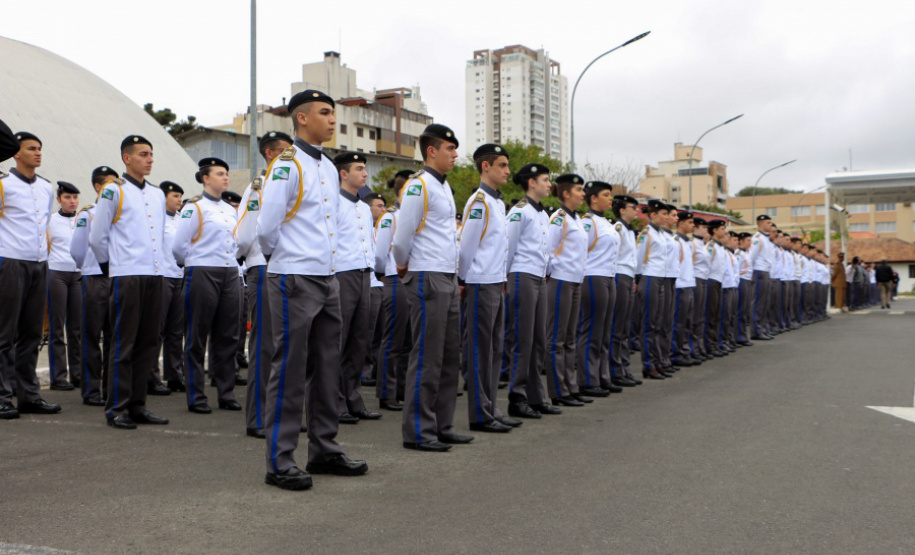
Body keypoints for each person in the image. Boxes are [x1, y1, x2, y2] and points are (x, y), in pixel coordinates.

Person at [257, 90, 367, 489]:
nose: (332, 120)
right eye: (324, 113)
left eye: (332, 113)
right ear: (301, 119)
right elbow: (266, 228)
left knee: (326, 367)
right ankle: (279, 459)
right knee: (288, 369)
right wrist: (287, 260)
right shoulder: (287, 165)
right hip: (295, 276)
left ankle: (324, 448)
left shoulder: (324, 166)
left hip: (327, 276)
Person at [392, 123, 470, 452]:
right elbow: (402, 237)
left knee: (450, 355)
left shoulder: (443, 186)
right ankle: (419, 431)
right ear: (431, 151)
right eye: (449, 149)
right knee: (427, 356)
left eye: (455, 149)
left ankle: (442, 424)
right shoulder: (418, 186)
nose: (454, 154)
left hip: (446, 276)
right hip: (427, 275)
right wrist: (404, 266)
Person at [89, 135, 167, 429]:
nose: (150, 159)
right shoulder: (113, 191)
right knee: (124, 342)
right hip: (127, 274)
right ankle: (117, 407)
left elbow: (158, 235)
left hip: (153, 273)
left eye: (151, 154)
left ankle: (138, 404)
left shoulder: (158, 194)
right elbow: (98, 237)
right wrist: (112, 267)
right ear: (127, 158)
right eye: (143, 154)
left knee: (148, 342)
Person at [0, 131, 62, 419]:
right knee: (4, 333)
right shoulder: (3, 184)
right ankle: (2, 396)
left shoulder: (47, 188)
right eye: (31, 148)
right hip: (10, 261)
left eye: (40, 148)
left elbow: (44, 223)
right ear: (16, 153)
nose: (38, 153)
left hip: (39, 263)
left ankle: (29, 395)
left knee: (31, 333)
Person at [172, 158, 241, 415]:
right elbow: (178, 246)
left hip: (229, 272)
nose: (225, 178)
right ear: (205, 178)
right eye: (220, 174)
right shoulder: (194, 208)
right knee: (197, 335)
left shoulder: (230, 209)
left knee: (228, 335)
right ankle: (196, 395)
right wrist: (193, 263)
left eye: (226, 173)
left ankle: (226, 392)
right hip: (202, 271)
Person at [235, 130, 292, 438]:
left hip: (287, 269)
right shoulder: (259, 187)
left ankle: (280, 413)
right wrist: (254, 260)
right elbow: (244, 235)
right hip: (264, 268)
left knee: (287, 347)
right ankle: (257, 417)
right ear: (270, 154)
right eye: (285, 150)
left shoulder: (289, 181)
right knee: (265, 346)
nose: (291, 154)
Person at [459, 143, 519, 433]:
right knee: (480, 351)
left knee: (495, 349)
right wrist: (463, 279)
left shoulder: (497, 202)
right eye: (502, 165)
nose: (508, 171)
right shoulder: (480, 202)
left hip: (496, 281)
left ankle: (491, 407)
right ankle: (479, 413)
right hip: (480, 282)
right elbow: (466, 247)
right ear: (486, 167)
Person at [504, 163, 561, 417]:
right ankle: (517, 397)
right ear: (531, 182)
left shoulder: (541, 213)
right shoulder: (520, 211)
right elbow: (508, 247)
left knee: (539, 339)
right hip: (521, 275)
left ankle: (537, 395)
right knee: (523, 340)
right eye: (545, 180)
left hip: (539, 277)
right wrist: (505, 278)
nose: (549, 184)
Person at [333, 151, 381, 423]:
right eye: (359, 168)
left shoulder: (364, 207)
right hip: (342, 273)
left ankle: (353, 398)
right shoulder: (333, 203)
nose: (365, 173)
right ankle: (335, 401)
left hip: (364, 274)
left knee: (359, 341)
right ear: (343, 173)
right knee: (338, 340)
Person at [70, 166, 119, 406]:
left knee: (114, 336)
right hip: (94, 277)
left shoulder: (118, 213)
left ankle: (111, 388)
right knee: (91, 335)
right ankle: (90, 390)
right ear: (99, 187)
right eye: (110, 183)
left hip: (116, 276)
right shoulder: (87, 214)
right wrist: (88, 268)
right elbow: (77, 250)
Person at [545, 174, 589, 404]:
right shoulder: (559, 218)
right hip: (561, 280)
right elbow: (548, 251)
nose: (583, 194)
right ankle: (557, 390)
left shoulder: (577, 219)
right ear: (565, 193)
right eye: (579, 190)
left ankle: (570, 386)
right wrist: (554, 274)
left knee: (571, 337)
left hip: (575, 280)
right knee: (557, 339)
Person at [576, 181, 620, 396]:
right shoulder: (588, 222)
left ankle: (602, 376)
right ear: (593, 198)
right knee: (592, 330)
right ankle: (587, 380)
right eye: (606, 194)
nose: (610, 198)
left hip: (609, 277)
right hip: (593, 276)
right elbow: (580, 251)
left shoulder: (607, 222)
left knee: (604, 331)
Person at [374, 178, 410, 412]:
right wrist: (382, 273)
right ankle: (386, 393)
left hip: (410, 280)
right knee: (393, 339)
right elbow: (379, 252)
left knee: (407, 340)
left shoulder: (409, 216)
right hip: (394, 279)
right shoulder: (390, 217)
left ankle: (401, 389)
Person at [47, 181, 82, 390]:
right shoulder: (51, 220)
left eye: (75, 197)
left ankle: (77, 374)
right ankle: (58, 377)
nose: (72, 201)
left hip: (78, 275)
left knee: (76, 328)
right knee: (57, 327)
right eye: (67, 197)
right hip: (57, 273)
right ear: (59, 199)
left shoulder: (83, 219)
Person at [153, 181, 186, 393]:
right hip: (162, 276)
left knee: (176, 330)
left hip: (179, 276)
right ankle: (152, 377)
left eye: (180, 196)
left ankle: (175, 375)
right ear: (164, 197)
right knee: (157, 329)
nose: (179, 200)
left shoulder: (182, 219)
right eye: (175, 195)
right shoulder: (156, 219)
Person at [609, 195, 642, 387]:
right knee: (618, 325)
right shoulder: (618, 229)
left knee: (624, 327)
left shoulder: (630, 231)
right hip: (620, 275)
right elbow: (613, 256)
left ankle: (624, 367)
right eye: (632, 207)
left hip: (629, 277)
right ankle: (615, 370)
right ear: (622, 210)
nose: (636, 210)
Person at [636, 199, 671, 379]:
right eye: (663, 214)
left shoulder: (662, 234)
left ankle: (658, 361)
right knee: (649, 324)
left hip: (661, 278)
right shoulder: (646, 233)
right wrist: (638, 278)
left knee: (658, 322)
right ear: (654, 214)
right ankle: (648, 365)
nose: (665, 217)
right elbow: (639, 258)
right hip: (649, 277)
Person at [222, 189, 249, 385]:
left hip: (239, 275)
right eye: (232, 206)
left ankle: (234, 365)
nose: (236, 209)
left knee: (238, 326)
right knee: (223, 328)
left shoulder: (239, 222)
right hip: (218, 274)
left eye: (238, 206)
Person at [363, 192, 387, 388]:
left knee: (380, 331)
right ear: (368, 207)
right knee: (367, 331)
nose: (382, 209)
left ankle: (375, 371)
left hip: (382, 285)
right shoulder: (364, 227)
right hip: (369, 283)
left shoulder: (384, 227)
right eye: (378, 206)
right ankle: (364, 371)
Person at [671, 210, 698, 366]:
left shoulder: (688, 242)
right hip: (680, 285)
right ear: (681, 224)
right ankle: (677, 353)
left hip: (689, 283)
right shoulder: (676, 240)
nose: (692, 225)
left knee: (687, 321)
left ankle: (685, 350)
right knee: (679, 322)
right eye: (689, 222)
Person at [748, 215, 775, 340]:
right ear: (761, 224)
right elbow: (751, 257)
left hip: (766, 272)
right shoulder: (757, 238)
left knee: (765, 303)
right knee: (758, 302)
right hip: (759, 272)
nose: (770, 225)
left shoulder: (767, 239)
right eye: (768, 223)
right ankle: (756, 331)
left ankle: (763, 328)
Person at [704, 219, 728, 357]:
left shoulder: (719, 247)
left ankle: (715, 343)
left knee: (717, 314)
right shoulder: (711, 246)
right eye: (722, 229)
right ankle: (709, 345)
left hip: (719, 281)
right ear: (714, 230)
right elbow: (705, 265)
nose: (725, 231)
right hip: (711, 281)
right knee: (711, 315)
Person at [690, 218, 712, 362]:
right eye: (703, 227)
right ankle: (693, 348)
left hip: (704, 279)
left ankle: (699, 346)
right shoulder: (692, 244)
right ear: (696, 228)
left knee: (700, 316)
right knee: (694, 316)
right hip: (696, 279)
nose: (706, 230)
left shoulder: (702, 245)